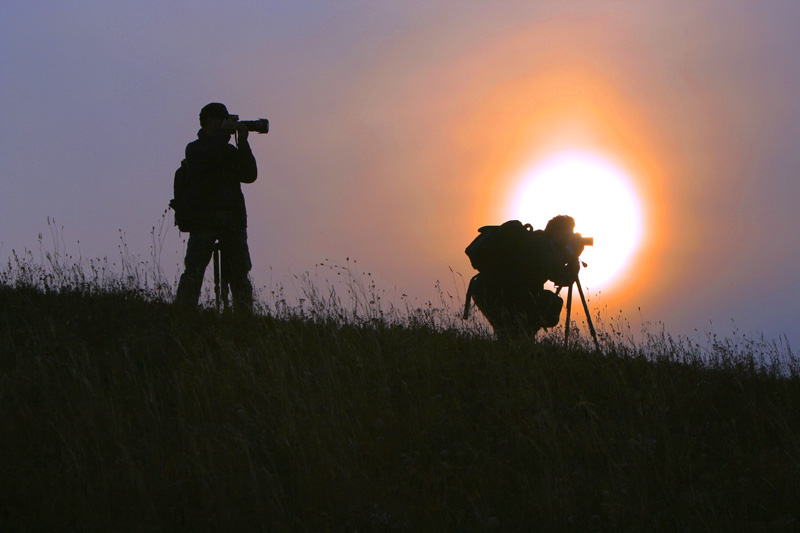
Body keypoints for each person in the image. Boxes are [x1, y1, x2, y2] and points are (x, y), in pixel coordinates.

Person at [173, 102, 258, 313]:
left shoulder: (228, 150)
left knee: (239, 273)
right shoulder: (194, 148)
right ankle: (184, 313)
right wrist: (224, 135)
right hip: (204, 218)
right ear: (209, 121)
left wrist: (243, 144)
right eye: (222, 119)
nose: (226, 123)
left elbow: (249, 175)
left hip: (232, 219)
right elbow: (210, 157)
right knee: (194, 270)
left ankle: (244, 318)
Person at [468, 215, 587, 339]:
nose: (569, 240)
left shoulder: (548, 248)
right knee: (512, 332)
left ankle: (517, 345)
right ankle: (518, 346)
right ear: (558, 233)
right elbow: (549, 262)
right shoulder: (538, 243)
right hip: (499, 291)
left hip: (495, 290)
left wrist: (574, 258)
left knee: (512, 332)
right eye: (568, 236)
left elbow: (562, 278)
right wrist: (569, 251)